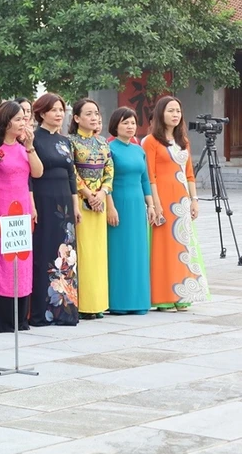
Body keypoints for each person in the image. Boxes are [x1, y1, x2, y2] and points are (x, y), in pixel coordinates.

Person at [0, 101, 44, 332]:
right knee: (3, 263)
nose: (22, 123)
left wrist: (30, 146)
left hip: (22, 212)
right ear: (5, 121)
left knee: (22, 262)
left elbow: (36, 173)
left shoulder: (22, 148)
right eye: (17, 119)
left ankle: (20, 318)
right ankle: (1, 320)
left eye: (23, 119)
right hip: (3, 211)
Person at [143, 96, 209, 311]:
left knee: (182, 247)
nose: (175, 115)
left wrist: (194, 200)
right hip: (163, 198)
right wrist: (156, 204)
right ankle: (163, 296)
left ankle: (182, 294)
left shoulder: (183, 141)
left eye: (178, 111)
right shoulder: (150, 141)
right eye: (171, 110)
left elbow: (189, 174)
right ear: (161, 113)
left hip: (181, 200)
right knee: (163, 248)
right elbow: (150, 175)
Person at [29, 93, 80, 327]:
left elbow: (72, 175)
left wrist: (76, 205)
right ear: (41, 113)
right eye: (54, 110)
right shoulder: (33, 139)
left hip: (65, 204)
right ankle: (41, 312)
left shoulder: (65, 141)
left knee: (66, 255)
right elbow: (28, 175)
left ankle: (65, 311)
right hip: (43, 200)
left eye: (62, 109)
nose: (59, 114)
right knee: (44, 253)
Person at [107, 107, 156, 314]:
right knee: (120, 252)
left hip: (137, 205)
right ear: (115, 126)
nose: (130, 127)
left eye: (133, 123)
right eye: (125, 123)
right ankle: (119, 302)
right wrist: (110, 207)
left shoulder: (139, 150)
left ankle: (139, 301)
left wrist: (151, 205)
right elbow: (105, 180)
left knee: (138, 252)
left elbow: (145, 179)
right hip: (118, 203)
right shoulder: (109, 148)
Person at [69, 98, 113, 319]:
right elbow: (72, 171)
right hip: (80, 201)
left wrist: (102, 193)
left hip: (99, 202)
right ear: (76, 118)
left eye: (96, 113)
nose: (94, 117)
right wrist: (87, 194)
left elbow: (109, 170)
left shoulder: (103, 142)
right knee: (84, 252)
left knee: (98, 253)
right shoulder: (70, 142)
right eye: (88, 114)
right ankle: (84, 304)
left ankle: (98, 304)